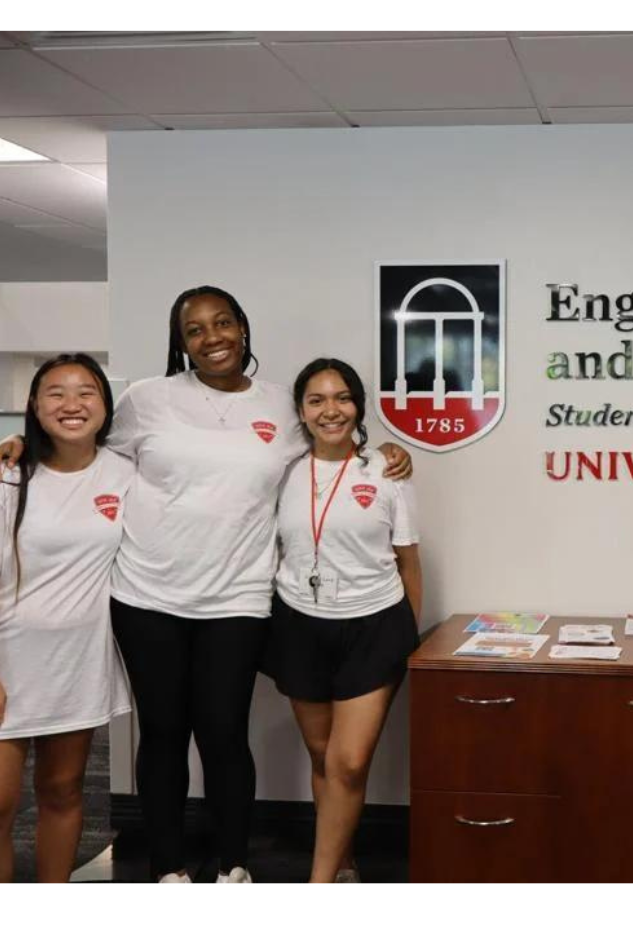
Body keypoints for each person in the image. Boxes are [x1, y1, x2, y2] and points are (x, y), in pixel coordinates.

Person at [0, 285, 413, 883]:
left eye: (223, 323)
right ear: (181, 343)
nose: (212, 338)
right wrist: (21, 441)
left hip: (238, 596)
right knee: (162, 733)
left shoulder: (282, 404)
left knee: (225, 732)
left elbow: (333, 440)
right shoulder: (147, 399)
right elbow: (82, 442)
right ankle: (167, 868)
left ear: (243, 327)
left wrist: (387, 450)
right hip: (147, 594)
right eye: (195, 330)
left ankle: (233, 864)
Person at [0, 354, 133, 882]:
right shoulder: (2, 477)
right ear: (34, 405)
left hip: (77, 666)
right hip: (1, 666)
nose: (72, 404)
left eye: (86, 391)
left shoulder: (125, 473)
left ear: (105, 404)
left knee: (63, 794)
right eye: (56, 392)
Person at [268, 358, 421, 883]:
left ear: (358, 406)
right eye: (316, 400)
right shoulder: (282, 470)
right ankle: (343, 861)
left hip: (374, 625)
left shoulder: (386, 470)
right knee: (322, 755)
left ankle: (318, 884)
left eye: (342, 398)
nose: (331, 410)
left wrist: (408, 642)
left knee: (349, 762)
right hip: (298, 623)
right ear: (301, 411)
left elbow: (409, 562)